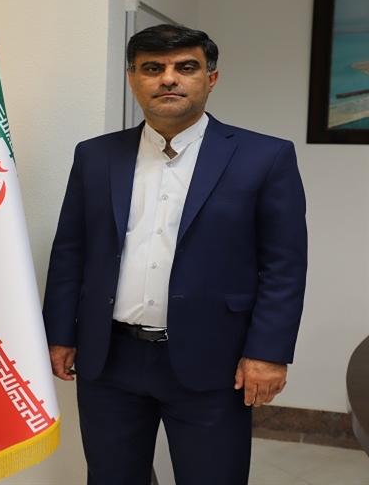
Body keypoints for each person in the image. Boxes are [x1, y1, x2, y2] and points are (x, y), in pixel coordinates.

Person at [43, 24, 307, 485]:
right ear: (133, 79)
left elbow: (283, 266)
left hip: (215, 360)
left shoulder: (264, 157)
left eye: (186, 67)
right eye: (152, 68)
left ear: (211, 78)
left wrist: (268, 353)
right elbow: (70, 251)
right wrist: (60, 334)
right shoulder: (95, 156)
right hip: (109, 360)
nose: (169, 79)